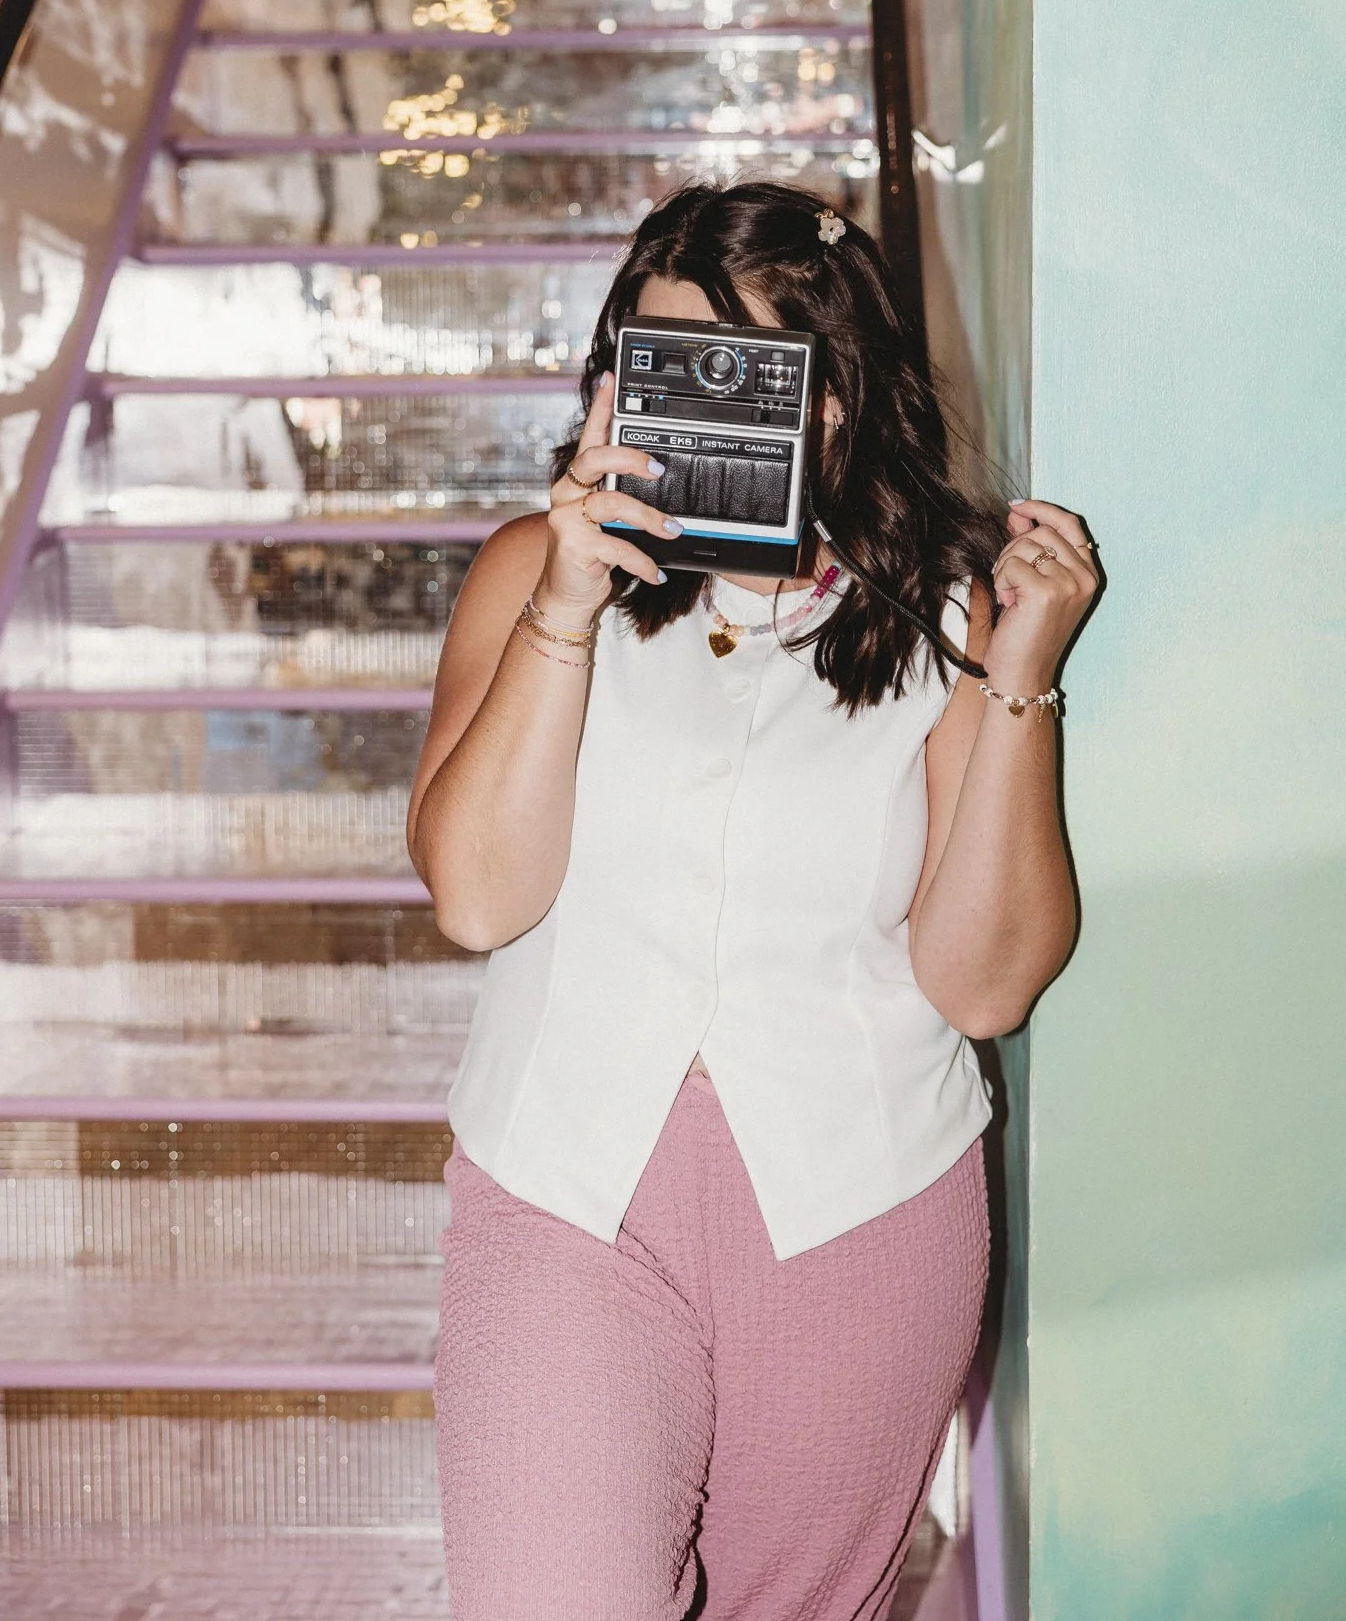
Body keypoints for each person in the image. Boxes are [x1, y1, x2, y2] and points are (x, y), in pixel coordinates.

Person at [408, 182, 1097, 1621]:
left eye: (758, 373)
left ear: (838, 399)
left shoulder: (945, 622)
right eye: (665, 369)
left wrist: (1021, 663)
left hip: (862, 1206)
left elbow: (983, 984)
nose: (705, 415)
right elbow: (476, 896)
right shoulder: (536, 579)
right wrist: (567, 607)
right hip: (570, 1192)